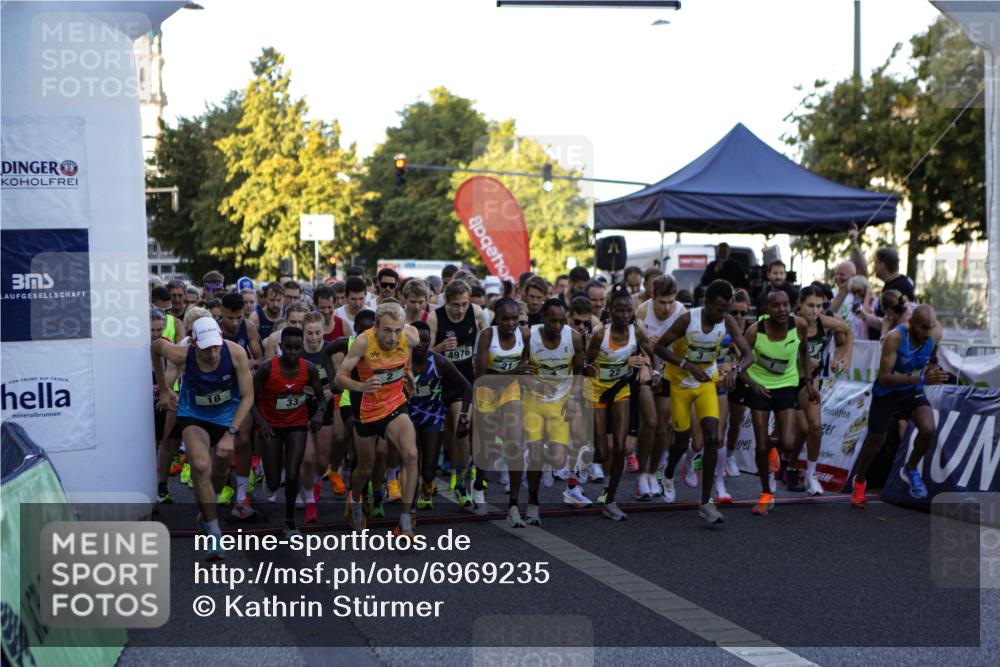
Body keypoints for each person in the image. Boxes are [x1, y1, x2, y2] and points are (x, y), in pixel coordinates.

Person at [152, 317, 254, 561]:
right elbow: (155, 347)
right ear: (194, 344)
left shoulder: (236, 353)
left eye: (216, 346)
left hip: (226, 417)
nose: (213, 353)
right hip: (194, 415)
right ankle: (214, 532)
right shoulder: (181, 354)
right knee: (200, 465)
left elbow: (248, 396)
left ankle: (207, 511)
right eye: (207, 348)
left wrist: (230, 434)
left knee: (220, 471)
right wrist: (164, 388)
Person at [655, 280, 756, 524]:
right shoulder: (687, 320)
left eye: (726, 309)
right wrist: (686, 364)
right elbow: (659, 348)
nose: (723, 314)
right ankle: (667, 472)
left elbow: (748, 355)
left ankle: (705, 502)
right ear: (707, 303)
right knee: (682, 441)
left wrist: (735, 369)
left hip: (706, 384)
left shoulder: (727, 321)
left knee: (713, 437)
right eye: (719, 309)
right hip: (681, 384)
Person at [335, 302, 420, 536]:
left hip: (395, 404)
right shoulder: (363, 341)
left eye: (397, 330)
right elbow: (340, 377)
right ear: (376, 327)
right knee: (365, 467)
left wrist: (408, 371)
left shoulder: (409, 336)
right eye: (387, 330)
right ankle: (355, 501)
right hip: (367, 411)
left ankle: (405, 520)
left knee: (411, 454)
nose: (393, 337)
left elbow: (409, 350)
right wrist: (361, 386)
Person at [851, 305, 945, 508]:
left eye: (930, 328)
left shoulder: (933, 337)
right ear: (911, 324)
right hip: (887, 393)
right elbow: (884, 378)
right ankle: (860, 480)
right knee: (876, 441)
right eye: (923, 328)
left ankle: (910, 468)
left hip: (911, 391)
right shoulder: (895, 338)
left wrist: (934, 371)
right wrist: (921, 379)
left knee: (928, 428)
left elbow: (930, 360)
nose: (927, 333)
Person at [742, 291, 819, 516]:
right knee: (760, 445)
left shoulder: (800, 325)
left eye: (785, 305)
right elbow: (741, 367)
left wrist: (808, 382)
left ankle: (771, 446)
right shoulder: (754, 332)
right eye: (776, 306)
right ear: (767, 309)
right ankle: (766, 494)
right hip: (759, 386)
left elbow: (804, 350)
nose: (782, 310)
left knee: (788, 442)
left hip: (786, 385)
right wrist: (754, 385)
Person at [584, 284, 655, 521]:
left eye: (628, 310)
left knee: (621, 448)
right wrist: (588, 368)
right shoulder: (600, 335)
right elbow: (585, 362)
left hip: (620, 391)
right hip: (597, 392)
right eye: (619, 310)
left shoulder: (636, 331)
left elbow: (650, 353)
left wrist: (651, 370)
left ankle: (610, 499)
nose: (624, 315)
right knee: (602, 454)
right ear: (610, 310)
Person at [251, 327, 325, 535]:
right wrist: (261, 421)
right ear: (280, 346)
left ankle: (290, 521)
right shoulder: (267, 369)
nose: (292, 352)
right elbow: (249, 399)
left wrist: (319, 413)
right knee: (274, 483)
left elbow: (321, 398)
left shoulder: (309, 369)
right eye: (288, 347)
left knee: (293, 474)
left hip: (297, 425)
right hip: (271, 426)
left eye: (297, 348)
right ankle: (268, 476)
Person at [525, 298, 587, 516]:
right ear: (542, 318)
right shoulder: (529, 336)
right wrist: (532, 383)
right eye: (553, 321)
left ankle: (547, 461)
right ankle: (533, 502)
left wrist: (574, 398)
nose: (558, 326)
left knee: (558, 460)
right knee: (535, 457)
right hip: (533, 402)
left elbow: (578, 372)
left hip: (560, 401)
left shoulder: (574, 338)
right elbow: (519, 370)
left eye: (562, 321)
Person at [428, 279, 488, 506]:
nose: (461, 309)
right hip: (440, 381)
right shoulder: (435, 318)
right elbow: (425, 352)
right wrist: (440, 348)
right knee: (443, 434)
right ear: (446, 301)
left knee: (462, 425)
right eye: (456, 305)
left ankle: (461, 481)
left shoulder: (477, 312)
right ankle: (432, 479)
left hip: (464, 381)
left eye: (464, 304)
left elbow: (487, 339)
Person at [473, 297, 532, 525]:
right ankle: (479, 485)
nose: (510, 323)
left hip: (510, 392)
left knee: (515, 445)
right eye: (505, 318)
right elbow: (480, 377)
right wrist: (514, 372)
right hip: (487, 392)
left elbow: (525, 368)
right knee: (487, 449)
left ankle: (513, 505)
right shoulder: (487, 336)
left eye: (514, 318)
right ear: (496, 318)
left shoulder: (524, 335)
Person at [792, 285, 853, 495]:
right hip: (787, 380)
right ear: (800, 305)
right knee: (792, 433)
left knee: (815, 426)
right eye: (810, 305)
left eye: (819, 306)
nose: (815, 311)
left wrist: (844, 358)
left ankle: (811, 474)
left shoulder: (824, 323)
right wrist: (807, 358)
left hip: (810, 380)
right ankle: (788, 464)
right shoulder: (790, 323)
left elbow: (847, 331)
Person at [633, 275, 686, 501]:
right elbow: (635, 344)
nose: (666, 308)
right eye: (662, 302)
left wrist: (665, 343)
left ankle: (653, 472)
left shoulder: (681, 312)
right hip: (646, 368)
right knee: (650, 422)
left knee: (663, 426)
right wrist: (648, 353)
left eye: (670, 302)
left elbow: (686, 346)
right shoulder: (642, 312)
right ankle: (641, 474)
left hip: (669, 371)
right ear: (653, 297)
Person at [409, 320, 472, 510]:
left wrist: (463, 417)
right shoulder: (401, 360)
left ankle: (427, 487)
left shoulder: (437, 361)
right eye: (417, 341)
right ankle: (408, 500)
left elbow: (467, 387)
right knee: (411, 459)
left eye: (425, 341)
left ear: (430, 341)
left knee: (429, 466)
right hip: (407, 416)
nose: (420, 345)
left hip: (433, 417)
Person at [299, 312, 345, 523]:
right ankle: (309, 500)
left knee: (322, 460)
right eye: (309, 333)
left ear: (323, 331)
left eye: (318, 332)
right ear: (303, 332)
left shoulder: (331, 351)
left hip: (324, 404)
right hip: (301, 405)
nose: (314, 337)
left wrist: (329, 392)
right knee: (307, 457)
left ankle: (316, 482)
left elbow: (341, 380)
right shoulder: (297, 351)